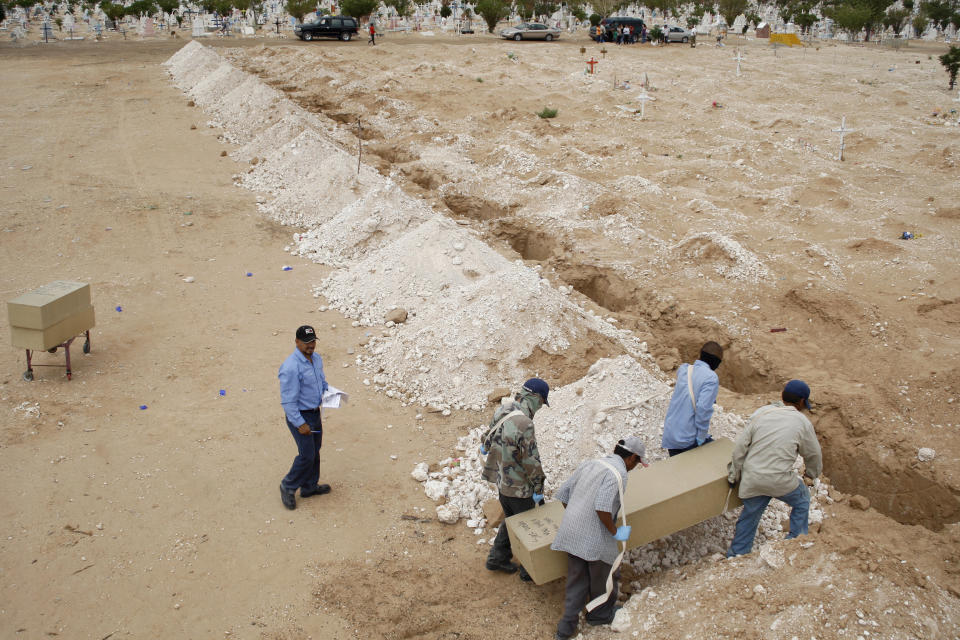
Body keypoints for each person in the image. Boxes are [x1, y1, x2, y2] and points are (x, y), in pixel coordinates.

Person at [551, 437, 648, 640]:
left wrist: (577, 519)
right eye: (637, 463)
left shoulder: (591, 463)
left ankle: (565, 629)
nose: (634, 467)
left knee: (577, 579)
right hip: (595, 535)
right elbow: (603, 507)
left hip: (571, 531)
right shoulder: (619, 473)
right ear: (632, 458)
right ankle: (599, 614)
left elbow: (563, 494)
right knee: (606, 571)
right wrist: (614, 532)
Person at [726, 380, 823, 557]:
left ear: (782, 396)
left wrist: (735, 473)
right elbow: (814, 454)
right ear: (801, 402)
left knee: (751, 514)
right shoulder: (802, 422)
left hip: (753, 477)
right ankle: (795, 543)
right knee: (802, 500)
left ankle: (737, 554)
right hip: (780, 480)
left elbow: (740, 447)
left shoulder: (762, 413)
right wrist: (811, 473)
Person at [481, 378, 550, 581]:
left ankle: (497, 558)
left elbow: (487, 437)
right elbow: (531, 461)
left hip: (502, 483)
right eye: (541, 403)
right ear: (536, 398)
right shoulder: (525, 423)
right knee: (530, 528)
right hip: (520, 489)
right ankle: (529, 571)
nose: (540, 408)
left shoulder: (504, 409)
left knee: (511, 521)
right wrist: (538, 486)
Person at [278, 325, 331, 510]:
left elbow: (321, 382)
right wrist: (300, 423)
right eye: (306, 342)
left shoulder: (316, 359)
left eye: (313, 341)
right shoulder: (290, 367)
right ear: (297, 342)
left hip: (315, 413)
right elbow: (288, 401)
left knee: (315, 449)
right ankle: (288, 485)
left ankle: (309, 487)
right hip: (301, 416)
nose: (311, 346)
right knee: (307, 455)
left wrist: (330, 393)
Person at [660, 341, 723, 456]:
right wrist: (701, 437)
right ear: (716, 362)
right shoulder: (711, 378)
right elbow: (703, 409)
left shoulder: (684, 369)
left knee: (679, 470)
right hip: (686, 440)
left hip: (670, 435)